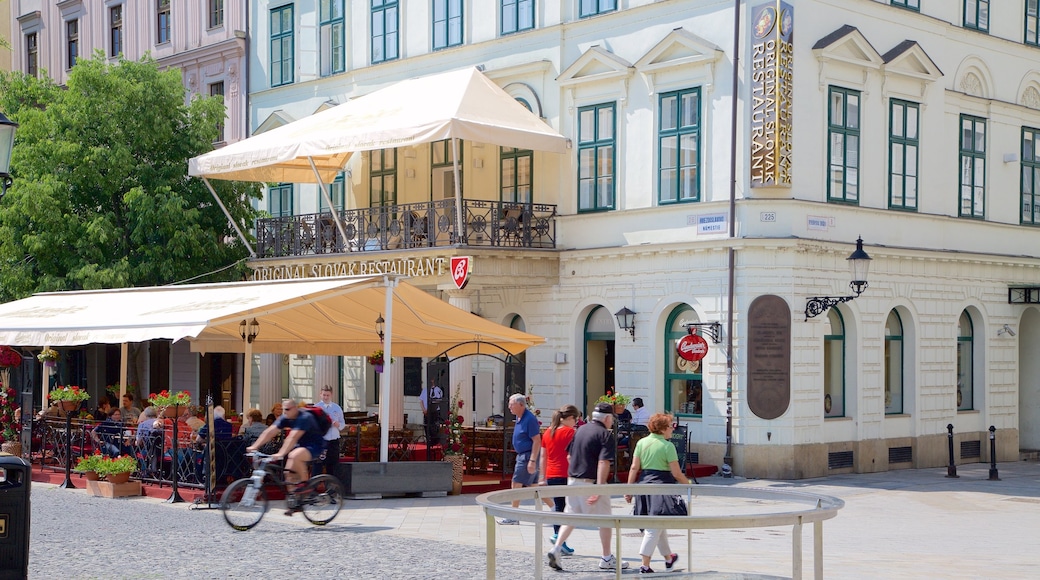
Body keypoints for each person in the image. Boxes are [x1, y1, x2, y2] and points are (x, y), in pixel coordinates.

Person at [547, 402, 629, 571]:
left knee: (571, 517)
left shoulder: (580, 430)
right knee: (606, 519)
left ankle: (556, 549)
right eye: (612, 419)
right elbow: (603, 462)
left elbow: (569, 456)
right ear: (606, 418)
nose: (612, 422)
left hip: (573, 480)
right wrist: (599, 487)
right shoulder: (604, 434)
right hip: (590, 482)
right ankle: (607, 558)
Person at [624, 412, 690, 574]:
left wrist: (629, 488)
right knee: (654, 526)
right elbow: (676, 473)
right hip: (662, 487)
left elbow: (634, 467)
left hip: (644, 485)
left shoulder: (641, 443)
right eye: (670, 426)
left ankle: (669, 558)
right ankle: (645, 564)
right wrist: (688, 485)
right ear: (662, 429)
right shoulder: (668, 446)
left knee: (658, 524)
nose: (672, 430)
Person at [247, 399, 327, 515]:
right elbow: (269, 432)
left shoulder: (304, 417)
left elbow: (292, 437)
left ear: (295, 408)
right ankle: (295, 503)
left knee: (294, 455)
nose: (285, 412)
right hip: (301, 446)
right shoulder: (286, 417)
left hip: (315, 446)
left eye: (288, 409)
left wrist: (280, 453)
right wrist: (254, 446)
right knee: (288, 473)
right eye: (284, 409)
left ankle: (306, 484)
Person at [498, 393, 551, 525]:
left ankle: (513, 516)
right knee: (534, 486)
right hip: (523, 455)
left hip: (527, 456)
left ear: (521, 404)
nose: (509, 406)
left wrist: (532, 460)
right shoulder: (520, 417)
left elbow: (537, 441)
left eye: (512, 404)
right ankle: (555, 508)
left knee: (516, 483)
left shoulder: (529, 419)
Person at [538, 404, 580, 555]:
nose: (576, 423)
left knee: (558, 506)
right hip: (566, 473)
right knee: (568, 508)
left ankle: (559, 539)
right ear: (569, 418)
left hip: (551, 473)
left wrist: (542, 476)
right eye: (576, 419)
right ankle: (559, 538)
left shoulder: (548, 431)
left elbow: (543, 456)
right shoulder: (570, 432)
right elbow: (574, 455)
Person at [315, 385, 345, 475]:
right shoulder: (317, 408)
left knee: (332, 464)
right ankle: (315, 485)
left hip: (333, 439)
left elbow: (343, 423)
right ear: (320, 395)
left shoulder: (337, 408)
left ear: (331, 395)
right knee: (318, 463)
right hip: (322, 440)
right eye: (324, 395)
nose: (325, 397)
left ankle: (331, 485)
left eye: (327, 395)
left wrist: (338, 425)